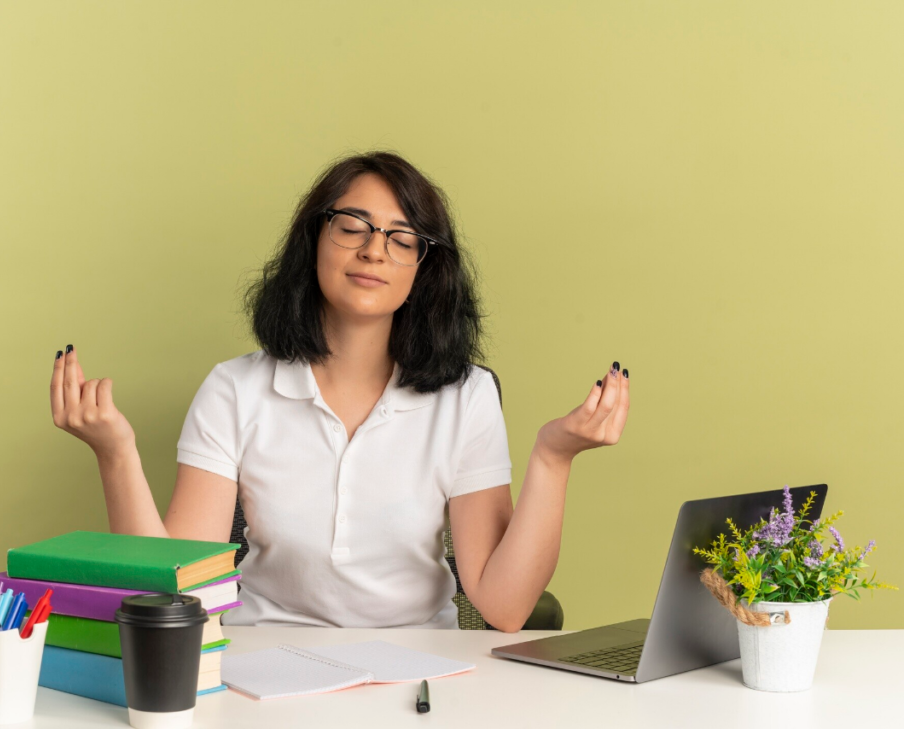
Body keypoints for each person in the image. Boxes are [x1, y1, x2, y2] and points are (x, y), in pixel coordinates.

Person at [49, 151, 630, 632]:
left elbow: (504, 608)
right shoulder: (234, 389)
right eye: (352, 226)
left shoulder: (466, 396)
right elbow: (181, 594)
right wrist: (114, 453)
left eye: (403, 238)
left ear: (425, 269)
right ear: (314, 241)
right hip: (264, 666)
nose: (374, 249)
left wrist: (554, 458)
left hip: (419, 672)